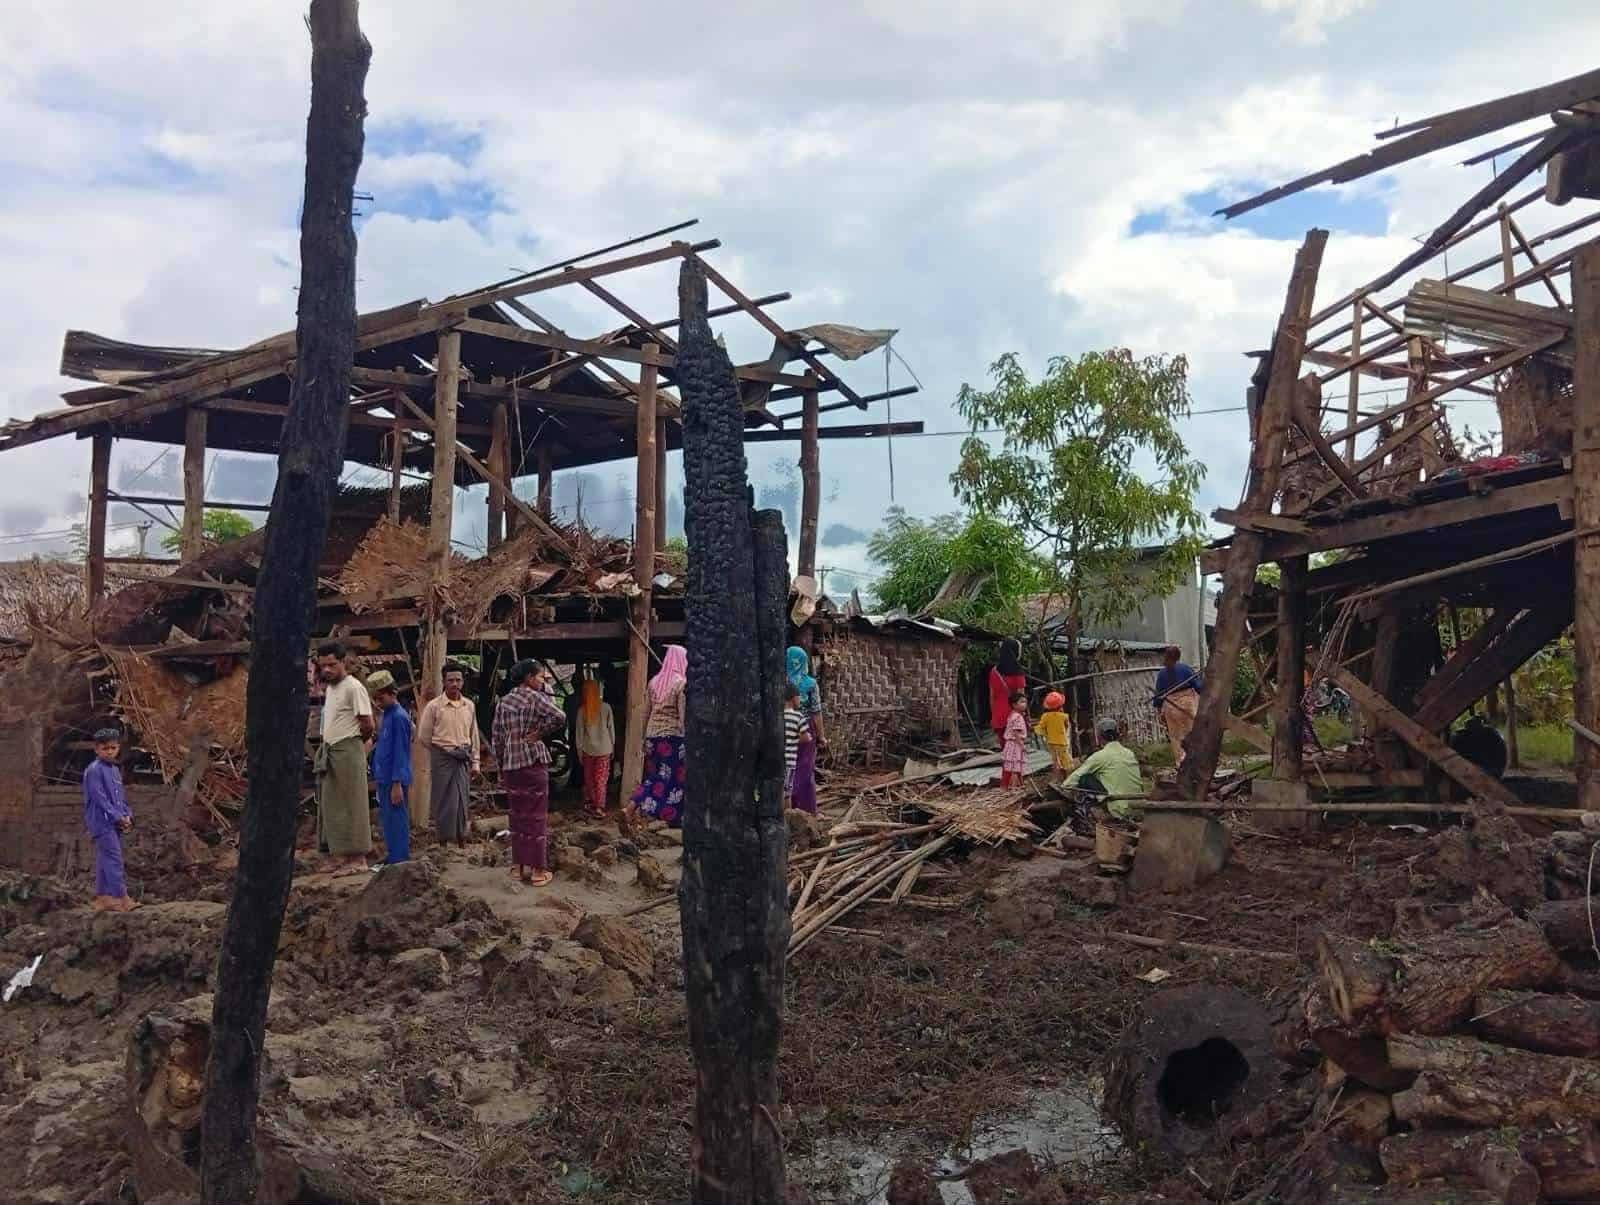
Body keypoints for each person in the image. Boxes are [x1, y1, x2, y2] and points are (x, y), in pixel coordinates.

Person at [493, 661, 567, 886]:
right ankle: (537, 871)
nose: (542, 682)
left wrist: (501, 765)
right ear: (528, 677)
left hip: (511, 764)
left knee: (517, 816)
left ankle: (517, 867)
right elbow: (560, 716)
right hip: (533, 760)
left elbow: (497, 738)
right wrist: (538, 734)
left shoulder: (504, 702)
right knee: (536, 816)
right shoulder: (536, 698)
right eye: (540, 677)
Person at [315, 641, 374, 875]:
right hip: (330, 751)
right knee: (331, 805)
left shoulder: (354, 687)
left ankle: (358, 859)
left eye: (331, 665)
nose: (327, 670)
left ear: (343, 662)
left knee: (352, 804)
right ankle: (337, 856)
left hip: (348, 750)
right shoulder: (331, 688)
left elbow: (367, 724)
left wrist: (354, 745)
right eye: (323, 666)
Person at [418, 663, 481, 848]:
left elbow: (473, 735)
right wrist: (442, 751)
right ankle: (444, 842)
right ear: (444, 682)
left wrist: (476, 762)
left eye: (458, 680)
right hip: (442, 757)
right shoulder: (434, 706)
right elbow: (423, 736)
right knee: (444, 799)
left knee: (462, 798)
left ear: (463, 682)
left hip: (463, 757)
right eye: (450, 680)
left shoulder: (469, 706)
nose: (455, 684)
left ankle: (461, 839)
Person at [628, 644, 689, 827]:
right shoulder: (681, 683)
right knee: (676, 778)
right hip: (672, 738)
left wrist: (643, 738)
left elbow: (646, 713)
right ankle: (669, 816)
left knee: (654, 776)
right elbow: (683, 715)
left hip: (652, 737)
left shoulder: (654, 682)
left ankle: (641, 808)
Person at [82, 727, 137, 912]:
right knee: (114, 858)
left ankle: (103, 897)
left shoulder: (114, 770)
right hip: (101, 821)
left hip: (115, 821)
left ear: (118, 748)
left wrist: (127, 814)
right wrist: (117, 817)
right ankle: (121, 897)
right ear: (96, 749)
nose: (110, 751)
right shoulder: (94, 770)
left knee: (104, 857)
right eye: (105, 748)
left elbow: (120, 797)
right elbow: (100, 799)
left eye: (113, 748)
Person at [367, 671, 414, 865]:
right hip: (384, 776)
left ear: (392, 693)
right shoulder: (386, 716)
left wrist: (397, 783)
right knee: (387, 819)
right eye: (375, 699)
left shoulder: (399, 717)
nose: (378, 702)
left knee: (397, 818)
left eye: (381, 698)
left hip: (394, 779)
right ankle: (393, 853)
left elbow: (400, 752)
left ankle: (399, 858)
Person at [1064, 718, 1145, 819]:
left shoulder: (1100, 756)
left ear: (1099, 737)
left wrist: (1063, 788)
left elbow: (1074, 778)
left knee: (1085, 778)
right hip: (1138, 807)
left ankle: (1096, 811)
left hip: (1119, 810)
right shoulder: (1129, 753)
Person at [786, 645, 826, 815]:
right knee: (805, 767)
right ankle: (805, 810)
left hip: (784, 727)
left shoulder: (779, 682)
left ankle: (787, 808)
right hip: (805, 729)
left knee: (787, 766)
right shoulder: (810, 684)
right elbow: (816, 712)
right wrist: (822, 737)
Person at [1153, 646, 1202, 767]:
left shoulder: (1162, 674)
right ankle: (1196, 761)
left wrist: (1160, 711)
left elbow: (1158, 697)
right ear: (1178, 656)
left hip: (1170, 707)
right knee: (1191, 733)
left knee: (1175, 737)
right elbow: (1198, 687)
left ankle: (1181, 763)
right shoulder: (1186, 669)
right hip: (1187, 705)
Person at [575, 677, 615, 819]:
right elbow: (611, 730)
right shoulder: (606, 708)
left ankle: (592, 803)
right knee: (601, 779)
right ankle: (599, 807)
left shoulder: (582, 710)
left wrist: (579, 751)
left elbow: (579, 733)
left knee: (590, 779)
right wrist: (613, 746)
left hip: (588, 750)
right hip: (605, 749)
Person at [988, 638, 1026, 746]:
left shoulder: (994, 671)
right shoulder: (1018, 673)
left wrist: (994, 715)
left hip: (998, 715)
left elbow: (992, 696)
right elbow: (1021, 699)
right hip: (1014, 717)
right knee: (1016, 749)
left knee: (1005, 748)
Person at [783, 682, 812, 808]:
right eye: (799, 697)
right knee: (786, 793)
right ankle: (786, 816)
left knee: (778, 789)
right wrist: (804, 737)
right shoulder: (798, 716)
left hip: (777, 760)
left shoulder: (777, 716)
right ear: (794, 698)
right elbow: (805, 737)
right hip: (789, 761)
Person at [1033, 690, 1073, 780]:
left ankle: (1057, 778)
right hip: (1062, 742)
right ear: (1060, 706)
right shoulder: (1064, 716)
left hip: (1051, 742)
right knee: (1065, 760)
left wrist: (1042, 733)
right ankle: (1067, 777)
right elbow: (1067, 727)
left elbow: (1040, 728)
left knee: (1055, 760)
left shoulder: (1045, 716)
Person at [1000, 690, 1030, 787]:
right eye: (1021, 702)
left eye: (1025, 702)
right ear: (1014, 704)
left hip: (1012, 743)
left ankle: (1018, 784)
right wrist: (1022, 745)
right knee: (1014, 766)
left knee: (1015, 765)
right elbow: (1016, 733)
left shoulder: (1013, 714)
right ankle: (1013, 787)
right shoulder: (1017, 717)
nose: (1024, 704)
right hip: (1015, 744)